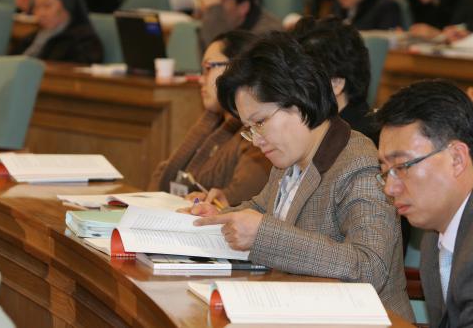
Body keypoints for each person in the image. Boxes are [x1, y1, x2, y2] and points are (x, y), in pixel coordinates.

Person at [190, 31, 414, 320]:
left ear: (298, 99)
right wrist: (220, 216)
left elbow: (370, 267)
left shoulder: (360, 163)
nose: (257, 140)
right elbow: (263, 209)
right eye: (249, 128)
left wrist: (263, 235)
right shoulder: (290, 156)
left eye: (260, 123)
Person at [376, 80, 473, 327]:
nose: (389, 188)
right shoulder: (435, 230)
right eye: (385, 171)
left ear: (457, 159)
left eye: (402, 167)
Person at [148, 30, 271, 207]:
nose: (200, 79)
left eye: (208, 68)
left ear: (237, 68)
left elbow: (239, 198)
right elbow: (164, 173)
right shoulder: (212, 123)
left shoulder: (257, 132)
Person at [291, 16, 378, 143]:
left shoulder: (358, 143)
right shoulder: (314, 131)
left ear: (336, 84)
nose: (290, 89)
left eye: (301, 79)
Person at [10, 0, 103, 64]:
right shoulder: (30, 38)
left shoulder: (84, 42)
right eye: (37, 7)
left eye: (47, 6)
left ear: (67, 5)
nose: (40, 13)